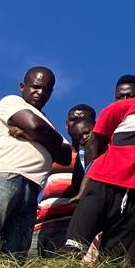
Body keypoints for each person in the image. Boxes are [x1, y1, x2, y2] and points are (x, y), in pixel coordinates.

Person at [62, 62, 135, 259]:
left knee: (112, 259)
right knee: (74, 246)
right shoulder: (119, 108)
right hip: (102, 185)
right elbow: (94, 144)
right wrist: (90, 179)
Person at [0, 66, 71, 254]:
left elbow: (66, 155)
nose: (40, 92)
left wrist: (30, 135)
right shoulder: (13, 102)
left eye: (46, 89)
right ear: (22, 86)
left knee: (15, 252)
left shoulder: (48, 121)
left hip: (32, 187)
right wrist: (42, 135)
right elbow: (36, 126)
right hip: (4, 176)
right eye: (36, 87)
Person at [30, 104, 96, 255]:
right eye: (74, 119)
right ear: (67, 124)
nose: (78, 123)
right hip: (40, 224)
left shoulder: (97, 157)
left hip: (68, 225)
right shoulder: (58, 151)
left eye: (84, 119)